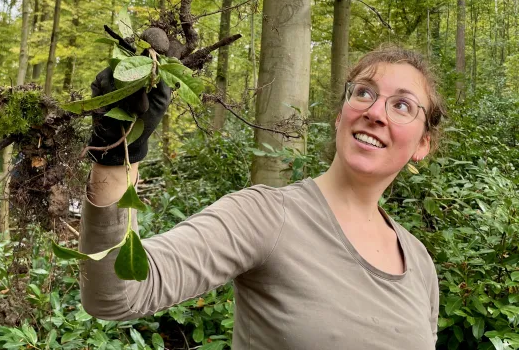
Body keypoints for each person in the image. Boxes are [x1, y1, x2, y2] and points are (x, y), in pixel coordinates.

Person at [79, 46, 444, 349]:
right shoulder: (267, 216)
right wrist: (115, 155)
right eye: (364, 92)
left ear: (423, 144)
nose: (375, 112)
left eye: (402, 106)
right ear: (339, 116)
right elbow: (118, 293)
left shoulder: (419, 263)